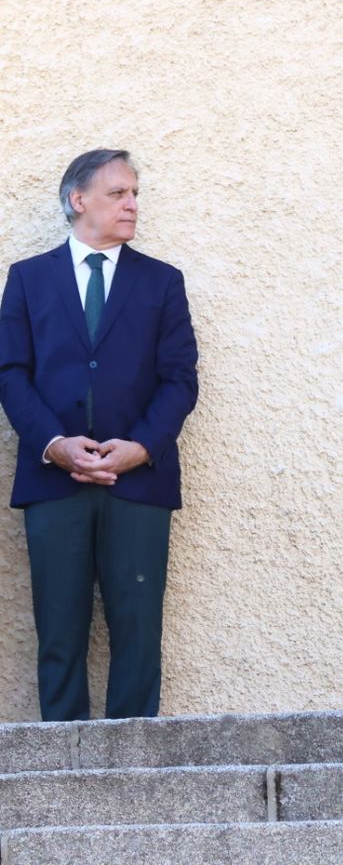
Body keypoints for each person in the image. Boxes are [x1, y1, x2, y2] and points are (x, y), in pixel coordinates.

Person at [0, 149, 199, 721]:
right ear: (77, 200)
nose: (133, 204)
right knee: (58, 633)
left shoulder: (162, 282)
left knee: (137, 634)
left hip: (138, 482)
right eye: (118, 193)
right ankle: (63, 772)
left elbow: (180, 379)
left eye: (135, 192)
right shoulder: (29, 279)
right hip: (52, 480)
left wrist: (142, 446)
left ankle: (134, 776)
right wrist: (53, 444)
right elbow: (11, 373)